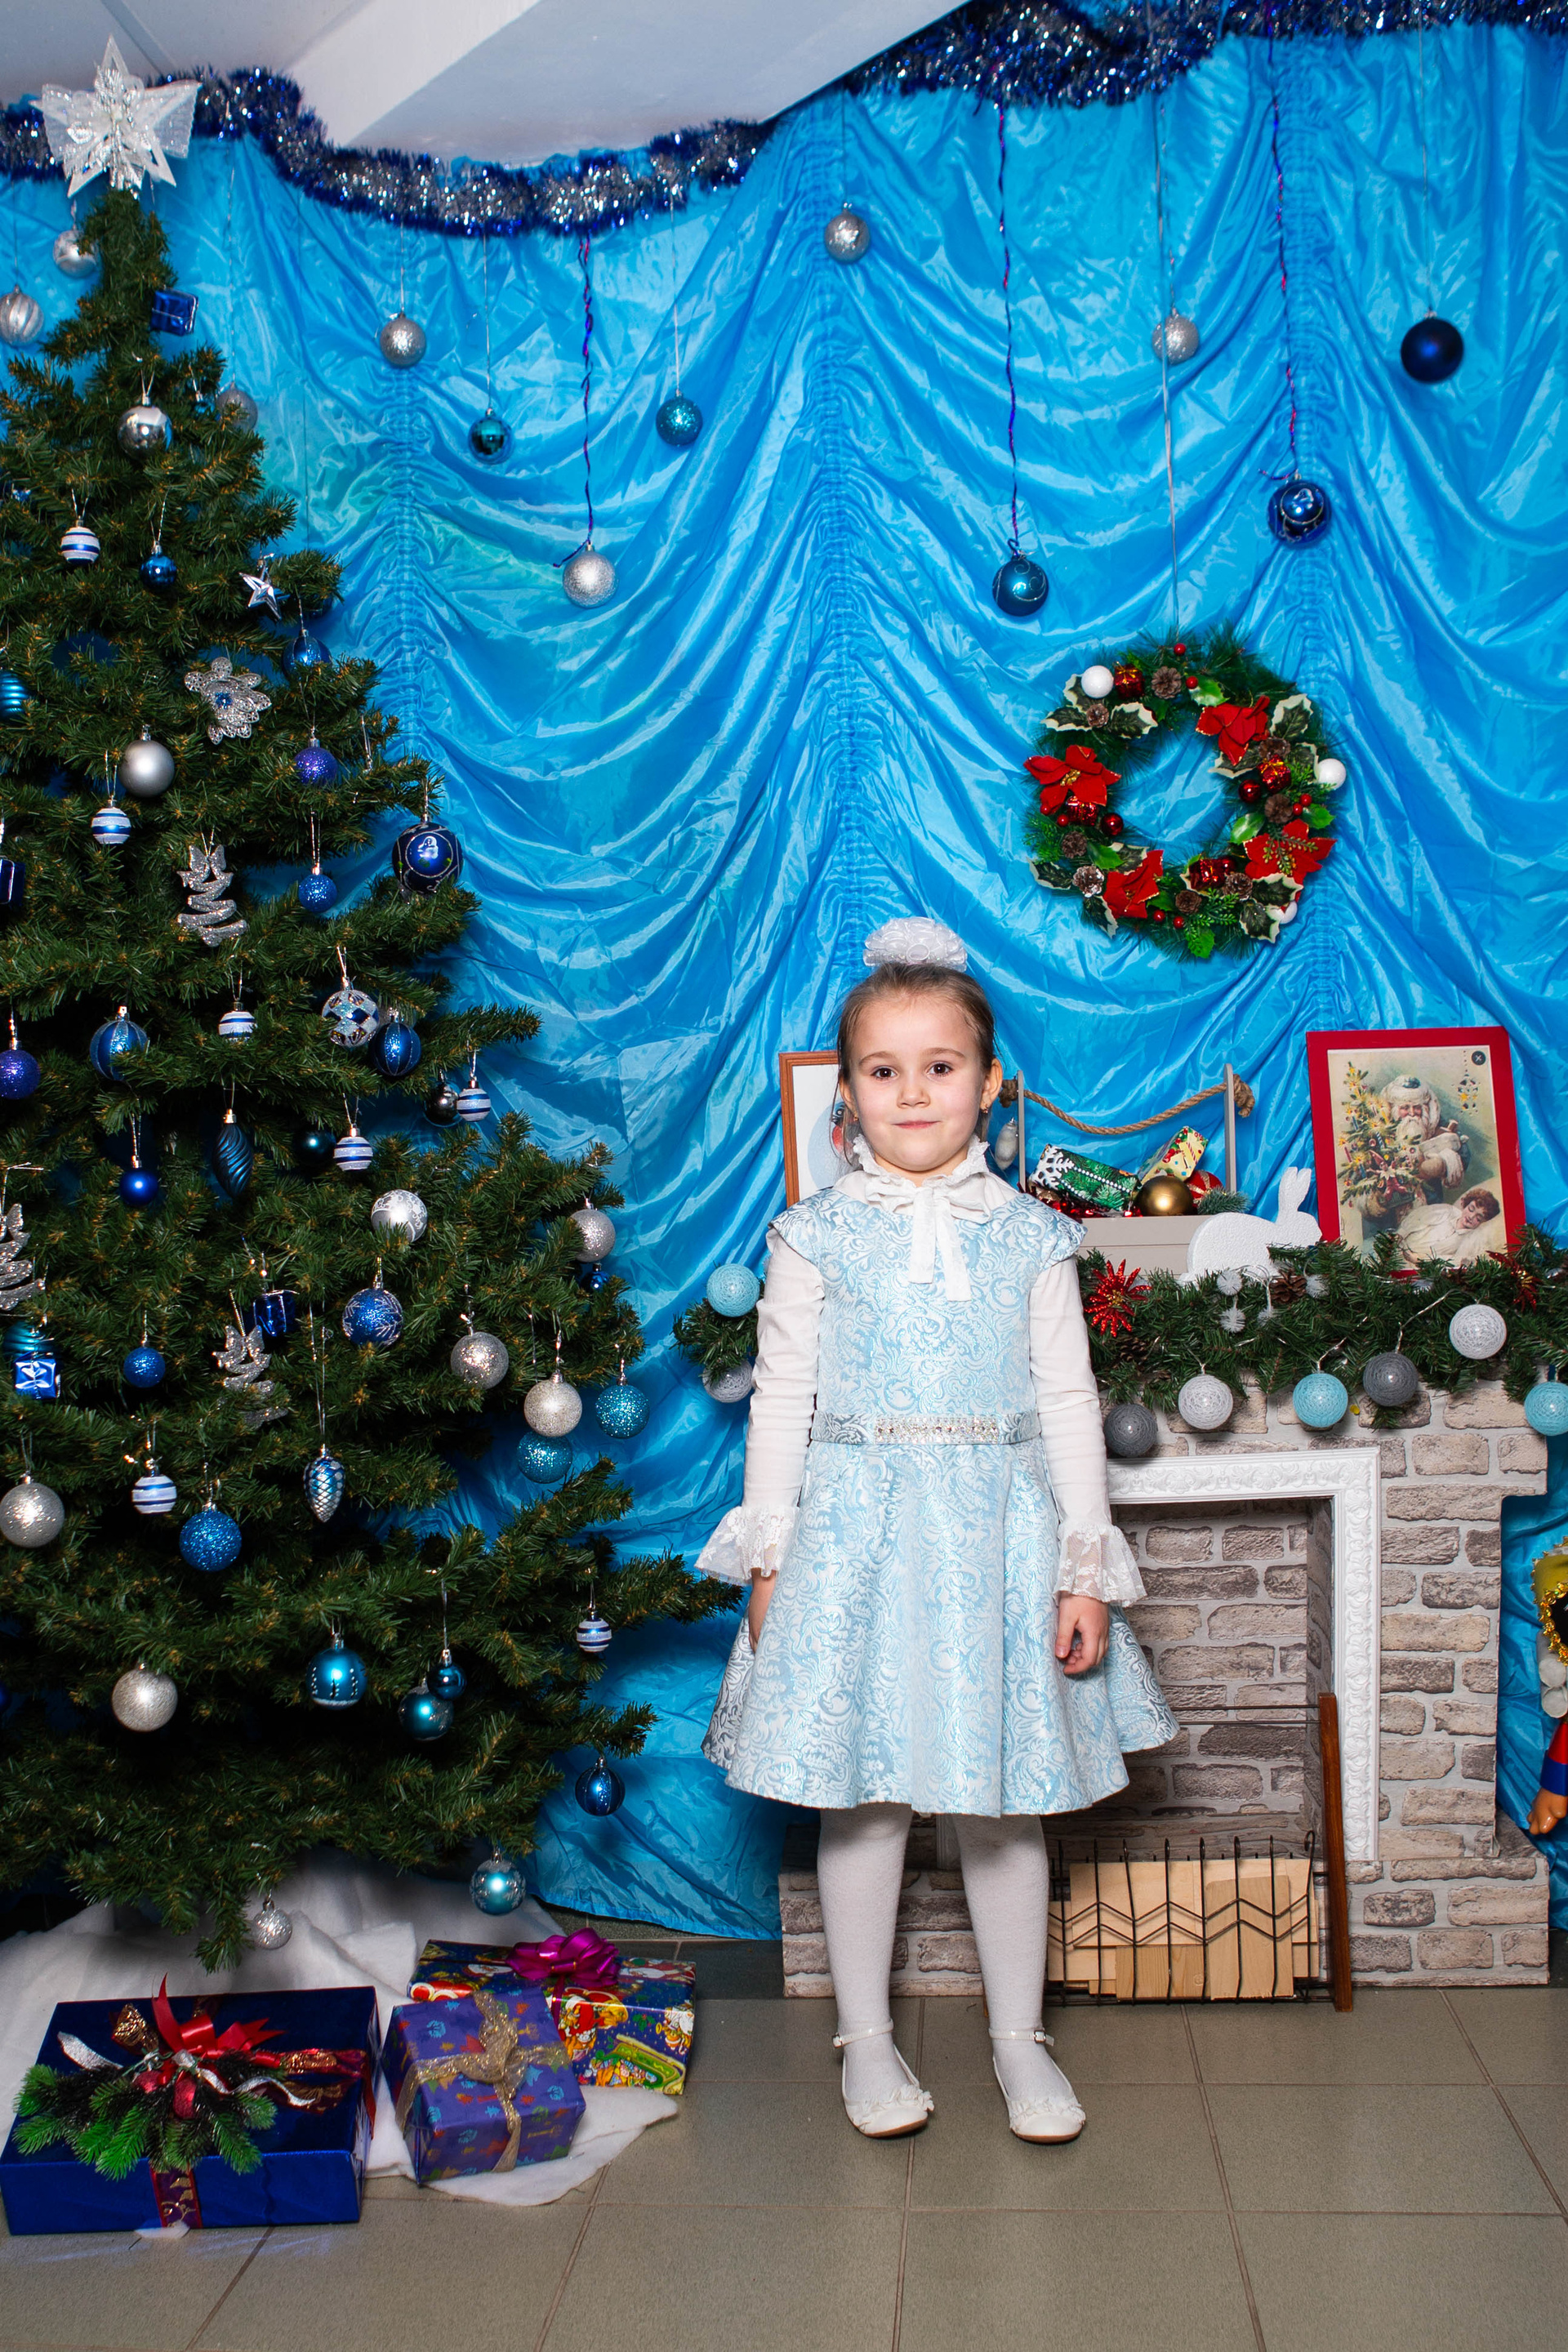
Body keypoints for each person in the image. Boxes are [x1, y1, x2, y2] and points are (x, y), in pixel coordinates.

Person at [697, 918, 1175, 2145]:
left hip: (998, 1535)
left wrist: (1083, 1565)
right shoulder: (812, 1234)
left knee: (1004, 1802)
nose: (914, 1092)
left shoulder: (1033, 1236)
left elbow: (1067, 1402)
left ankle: (1019, 2040)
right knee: (863, 1801)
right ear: (848, 1094)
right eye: (884, 1069)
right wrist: (770, 1557)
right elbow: (784, 1401)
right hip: (854, 1537)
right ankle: (865, 2039)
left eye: (941, 1066)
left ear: (991, 1083)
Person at [1394, 1184, 1503, 1267]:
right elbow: (1417, 1219)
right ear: (1466, 1204)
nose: (1471, 1217)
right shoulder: (1446, 1211)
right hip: (1399, 1246)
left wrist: (1420, 1260)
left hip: (1418, 1267)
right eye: (1471, 1209)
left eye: (1478, 1218)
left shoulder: (1470, 1240)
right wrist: (1398, 1236)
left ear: (1483, 1222)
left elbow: (1453, 1261)